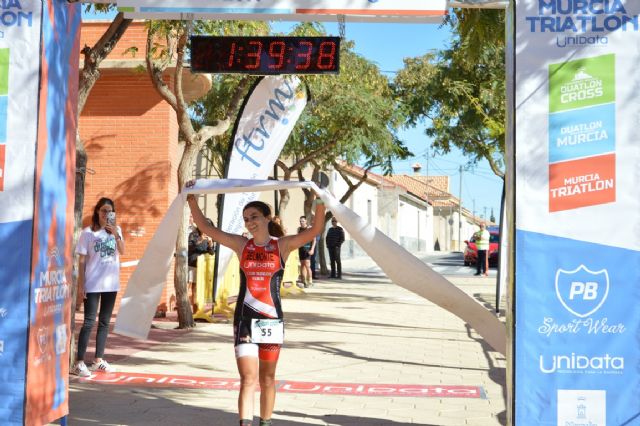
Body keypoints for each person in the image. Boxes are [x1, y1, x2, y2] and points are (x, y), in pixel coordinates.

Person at [186, 182, 325, 426]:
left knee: (268, 379)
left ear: (267, 217)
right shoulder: (242, 245)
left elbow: (315, 230)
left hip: (272, 320)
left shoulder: (282, 245)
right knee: (248, 378)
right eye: (246, 218)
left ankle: (266, 422)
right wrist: (191, 199)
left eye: (255, 217)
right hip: (245, 322)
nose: (250, 222)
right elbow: (207, 227)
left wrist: (321, 200)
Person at [71, 197, 125, 377]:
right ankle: (78, 363)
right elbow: (82, 260)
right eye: (103, 210)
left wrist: (116, 234)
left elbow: (123, 251)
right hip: (93, 283)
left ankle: (98, 360)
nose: (106, 214)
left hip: (111, 284)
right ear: (97, 212)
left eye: (110, 211)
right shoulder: (88, 233)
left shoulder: (116, 230)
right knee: (88, 322)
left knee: (104, 322)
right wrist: (81, 285)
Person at [297, 216, 316, 288]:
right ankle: (303, 281)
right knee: (302, 265)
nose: (301, 222)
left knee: (307, 265)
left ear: (306, 221)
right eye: (300, 221)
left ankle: (310, 281)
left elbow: (314, 240)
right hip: (301, 249)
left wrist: (312, 249)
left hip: (308, 249)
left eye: (303, 221)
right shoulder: (299, 229)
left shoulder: (309, 229)